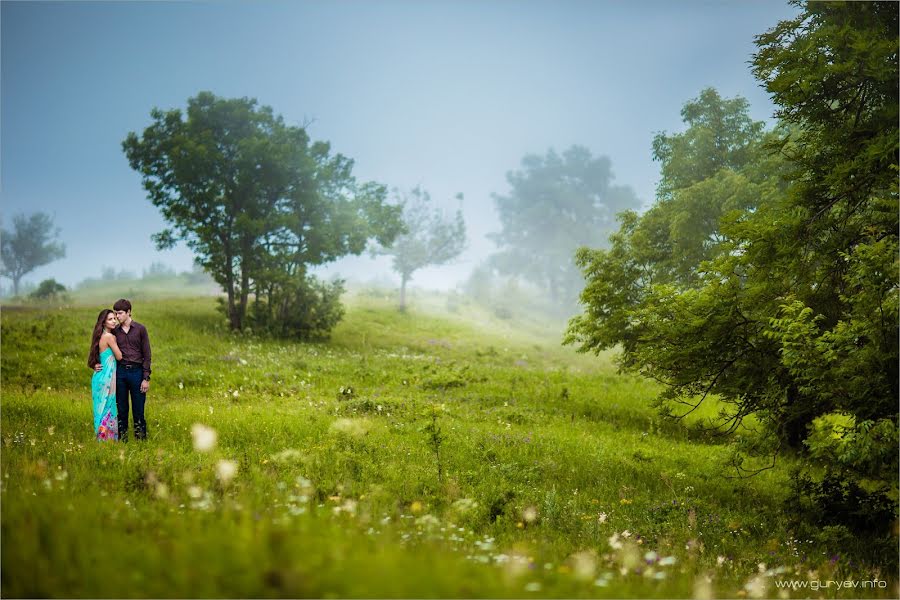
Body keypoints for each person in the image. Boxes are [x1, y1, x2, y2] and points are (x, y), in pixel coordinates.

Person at [95, 298, 152, 441]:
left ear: (128, 312)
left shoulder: (140, 329)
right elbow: (99, 346)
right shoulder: (114, 332)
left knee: (138, 410)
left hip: (137, 372)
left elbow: (147, 355)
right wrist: (94, 363)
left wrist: (145, 378)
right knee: (122, 409)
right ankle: (123, 441)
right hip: (120, 374)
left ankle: (141, 441)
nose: (117, 317)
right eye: (115, 314)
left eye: (120, 313)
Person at [87, 309, 121, 441]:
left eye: (114, 318)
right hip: (108, 378)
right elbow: (119, 356)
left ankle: (102, 438)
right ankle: (108, 439)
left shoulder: (99, 335)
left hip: (99, 377)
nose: (114, 321)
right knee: (109, 405)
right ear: (104, 322)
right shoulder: (109, 337)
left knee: (100, 408)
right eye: (110, 319)